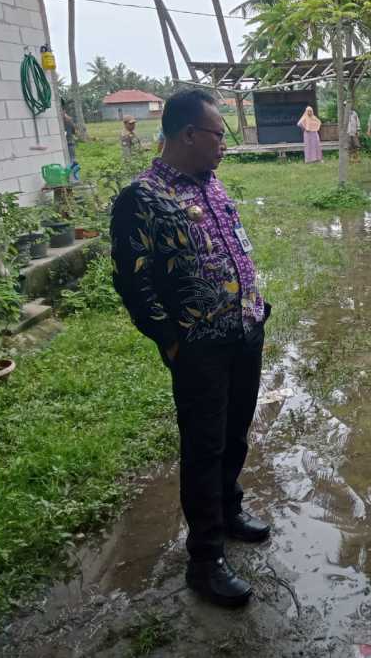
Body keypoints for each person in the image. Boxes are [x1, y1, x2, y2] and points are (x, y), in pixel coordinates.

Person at [110, 90, 272, 608]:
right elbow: (134, 285)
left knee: (234, 432)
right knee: (204, 447)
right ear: (186, 135)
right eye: (218, 135)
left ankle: (229, 510)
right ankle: (205, 559)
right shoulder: (143, 198)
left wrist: (256, 309)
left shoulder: (214, 185)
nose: (224, 144)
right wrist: (172, 343)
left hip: (245, 331)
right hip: (198, 348)